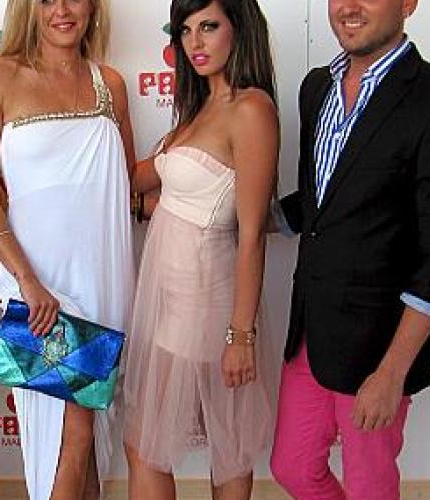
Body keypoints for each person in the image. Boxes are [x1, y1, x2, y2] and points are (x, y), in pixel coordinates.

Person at [269, 1, 430, 499]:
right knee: (292, 468)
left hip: (380, 344)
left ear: (408, 3)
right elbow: (322, 200)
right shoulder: (316, 88)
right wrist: (243, 219)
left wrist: (391, 374)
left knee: (370, 488)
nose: (347, 7)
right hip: (311, 330)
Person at [0, 0, 135, 498]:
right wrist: (27, 280)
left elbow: (126, 181)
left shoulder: (110, 85)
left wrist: (191, 158)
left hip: (103, 282)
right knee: (68, 437)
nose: (62, 9)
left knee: (89, 436)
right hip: (38, 289)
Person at [121, 1, 279, 499]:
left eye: (209, 26)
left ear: (239, 28)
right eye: (185, 30)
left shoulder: (251, 109)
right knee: (182, 443)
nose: (195, 42)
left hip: (205, 302)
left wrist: (241, 335)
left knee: (171, 444)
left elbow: (251, 233)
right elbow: (137, 179)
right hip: (169, 300)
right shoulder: (198, 108)